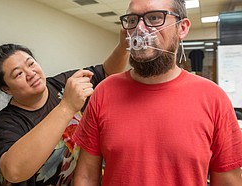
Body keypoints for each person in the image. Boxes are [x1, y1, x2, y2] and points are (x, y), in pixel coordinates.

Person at [72, 0, 242, 185]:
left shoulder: (213, 98)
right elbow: (86, 176)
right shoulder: (104, 91)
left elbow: (228, 181)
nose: (140, 29)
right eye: (132, 20)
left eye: (154, 18)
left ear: (182, 28)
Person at [0, 29, 129, 186]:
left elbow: (106, 72)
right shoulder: (7, 123)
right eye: (18, 74)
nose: (30, 73)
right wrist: (66, 106)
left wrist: (124, 46)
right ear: (6, 88)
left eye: (31, 64)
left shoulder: (62, 84)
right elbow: (13, 171)